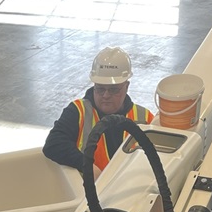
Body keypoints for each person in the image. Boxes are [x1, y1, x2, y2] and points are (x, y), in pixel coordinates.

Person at [43, 46, 154, 180]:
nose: (106, 95)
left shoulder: (144, 118)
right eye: (100, 89)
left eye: (113, 90)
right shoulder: (78, 111)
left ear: (126, 86)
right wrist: (87, 166)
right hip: (86, 195)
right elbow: (53, 144)